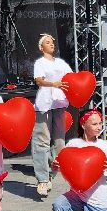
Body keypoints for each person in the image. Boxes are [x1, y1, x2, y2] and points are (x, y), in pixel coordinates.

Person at [30, 34, 71, 197]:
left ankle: (50, 174)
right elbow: (39, 80)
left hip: (59, 103)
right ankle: (42, 179)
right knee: (42, 141)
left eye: (52, 42)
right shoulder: (40, 63)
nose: (51, 44)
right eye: (48, 42)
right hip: (44, 104)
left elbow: (71, 78)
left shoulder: (61, 63)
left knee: (60, 143)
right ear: (42, 48)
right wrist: (53, 84)